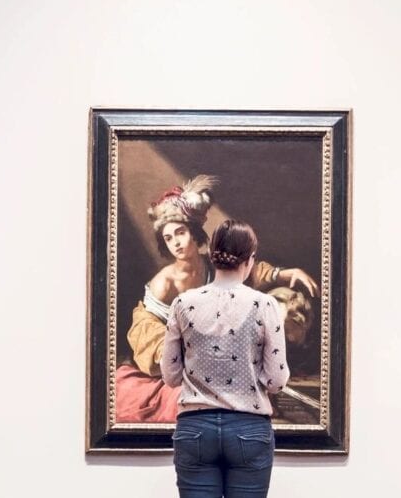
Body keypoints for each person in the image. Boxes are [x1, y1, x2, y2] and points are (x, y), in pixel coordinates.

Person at [161, 220, 289, 498]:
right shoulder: (265, 305)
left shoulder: (183, 304)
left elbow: (171, 375)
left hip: (194, 430)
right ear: (250, 259)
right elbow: (276, 380)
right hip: (249, 432)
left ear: (213, 254)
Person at [114, 176, 316, 422]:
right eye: (168, 238)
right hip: (176, 367)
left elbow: (247, 273)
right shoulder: (163, 283)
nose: (176, 242)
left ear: (194, 233)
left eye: (181, 232)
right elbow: (146, 333)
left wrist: (285, 273)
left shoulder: (211, 265)